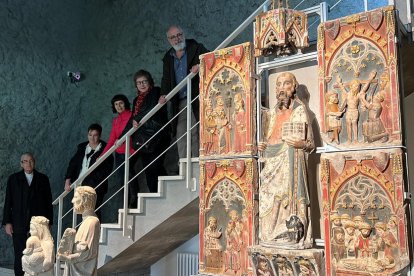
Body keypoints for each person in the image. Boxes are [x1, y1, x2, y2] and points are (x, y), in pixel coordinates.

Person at [259, 72, 314, 249]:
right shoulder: (270, 114)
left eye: (286, 84)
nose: (282, 88)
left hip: (291, 164)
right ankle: (269, 235)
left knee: (286, 199)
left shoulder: (300, 110)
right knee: (267, 197)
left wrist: (300, 143)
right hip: (271, 164)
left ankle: (292, 234)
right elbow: (268, 140)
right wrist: (262, 146)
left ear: (294, 87)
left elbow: (310, 143)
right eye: (279, 85)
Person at [161, 25, 209, 160]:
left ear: (183, 34)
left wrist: (201, 65)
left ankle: (195, 162)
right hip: (180, 101)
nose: (177, 39)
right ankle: (184, 163)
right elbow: (166, 78)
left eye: (179, 35)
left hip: (196, 97)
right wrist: (163, 94)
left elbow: (212, 59)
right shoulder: (168, 57)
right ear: (169, 40)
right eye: (173, 37)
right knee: (180, 132)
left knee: (194, 131)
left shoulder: (196, 47)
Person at [2, 153, 53, 276]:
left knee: (38, 254)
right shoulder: (13, 179)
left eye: (30, 161)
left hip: (38, 224)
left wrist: (49, 222)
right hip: (18, 222)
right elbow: (8, 201)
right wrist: (7, 222)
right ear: (21, 163)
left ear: (34, 162)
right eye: (25, 161)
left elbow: (48, 202)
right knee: (20, 254)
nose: (28, 164)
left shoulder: (43, 179)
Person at [123, 70, 168, 195]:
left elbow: (151, 108)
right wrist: (121, 138)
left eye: (144, 81)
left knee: (155, 167)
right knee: (149, 170)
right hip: (143, 139)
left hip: (157, 136)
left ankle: (165, 193)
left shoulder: (155, 91)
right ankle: (155, 196)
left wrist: (136, 119)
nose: (142, 84)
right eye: (138, 83)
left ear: (149, 82)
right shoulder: (137, 99)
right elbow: (133, 117)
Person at [101, 94, 148, 207]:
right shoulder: (116, 120)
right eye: (116, 104)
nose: (119, 106)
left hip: (131, 151)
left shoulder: (132, 115)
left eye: (121, 103)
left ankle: (135, 200)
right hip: (119, 154)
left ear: (125, 103)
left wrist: (132, 150)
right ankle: (126, 204)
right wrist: (102, 156)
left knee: (129, 173)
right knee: (122, 180)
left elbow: (135, 135)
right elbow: (112, 139)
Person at [64, 123, 113, 219]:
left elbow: (106, 170)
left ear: (100, 135)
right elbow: (73, 164)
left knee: (93, 212)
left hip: (96, 186)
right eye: (90, 135)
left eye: (95, 135)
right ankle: (85, 233)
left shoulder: (106, 149)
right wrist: (67, 180)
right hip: (80, 185)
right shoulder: (82, 147)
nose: (92, 138)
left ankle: (96, 233)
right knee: (82, 213)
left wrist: (89, 183)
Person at [57, 186, 100, 276]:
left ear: (85, 200)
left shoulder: (92, 222)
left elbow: (87, 253)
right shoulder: (87, 221)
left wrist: (67, 257)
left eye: (76, 197)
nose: (72, 201)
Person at [336, 71, 376, 144]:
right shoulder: (347, 94)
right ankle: (349, 140)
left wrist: (370, 79)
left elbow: (364, 88)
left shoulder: (358, 95)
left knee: (354, 123)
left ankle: (355, 139)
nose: (356, 87)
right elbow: (342, 88)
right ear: (351, 86)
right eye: (355, 86)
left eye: (358, 86)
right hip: (348, 111)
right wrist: (339, 82)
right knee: (348, 124)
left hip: (355, 111)